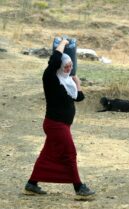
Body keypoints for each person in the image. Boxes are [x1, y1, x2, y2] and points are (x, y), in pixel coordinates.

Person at [24, 38, 95, 198]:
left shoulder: (67, 80)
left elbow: (79, 98)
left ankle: (32, 183)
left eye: (71, 66)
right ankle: (79, 187)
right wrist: (62, 43)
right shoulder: (50, 78)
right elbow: (55, 60)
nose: (69, 68)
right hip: (55, 124)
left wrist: (77, 83)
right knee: (70, 153)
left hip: (61, 125)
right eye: (66, 66)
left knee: (47, 154)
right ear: (59, 66)